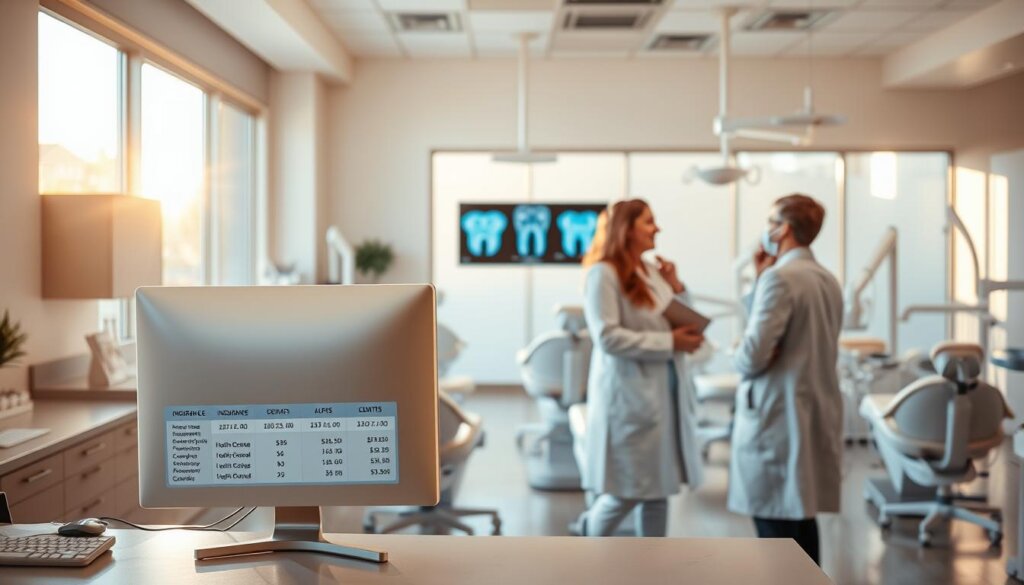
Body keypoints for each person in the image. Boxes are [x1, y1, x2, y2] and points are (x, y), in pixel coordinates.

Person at [727, 194, 844, 565]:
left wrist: (736, 349)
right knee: (801, 521)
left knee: (776, 532)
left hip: (777, 418)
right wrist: (761, 280)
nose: (766, 230)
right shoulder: (826, 280)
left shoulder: (781, 279)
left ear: (784, 229)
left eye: (770, 222)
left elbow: (750, 356)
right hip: (809, 411)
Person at [577, 198, 705, 537]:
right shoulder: (601, 275)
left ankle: (653, 570)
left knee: (659, 493)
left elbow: (677, 317)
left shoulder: (648, 271)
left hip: (663, 397)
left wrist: (677, 287)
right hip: (631, 400)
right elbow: (607, 337)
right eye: (649, 222)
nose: (657, 228)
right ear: (626, 229)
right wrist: (670, 343)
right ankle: (587, 545)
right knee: (624, 494)